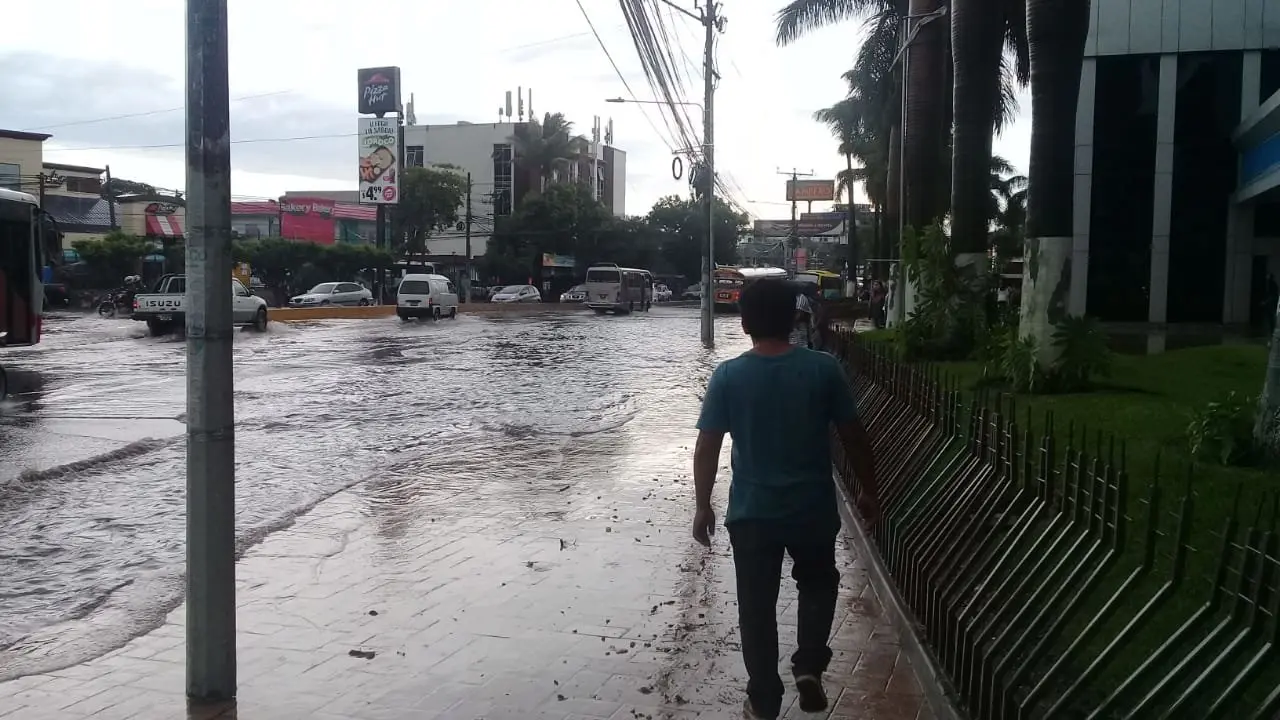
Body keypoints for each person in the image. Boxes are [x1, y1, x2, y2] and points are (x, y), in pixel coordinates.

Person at [691, 279, 881, 720]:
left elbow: (707, 446)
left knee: (756, 608)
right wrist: (869, 490)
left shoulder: (728, 375)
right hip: (812, 509)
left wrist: (703, 504)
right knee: (817, 582)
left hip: (752, 515)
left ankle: (764, 699)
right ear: (795, 320)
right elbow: (853, 435)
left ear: (744, 325)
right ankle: (809, 664)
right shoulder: (822, 369)